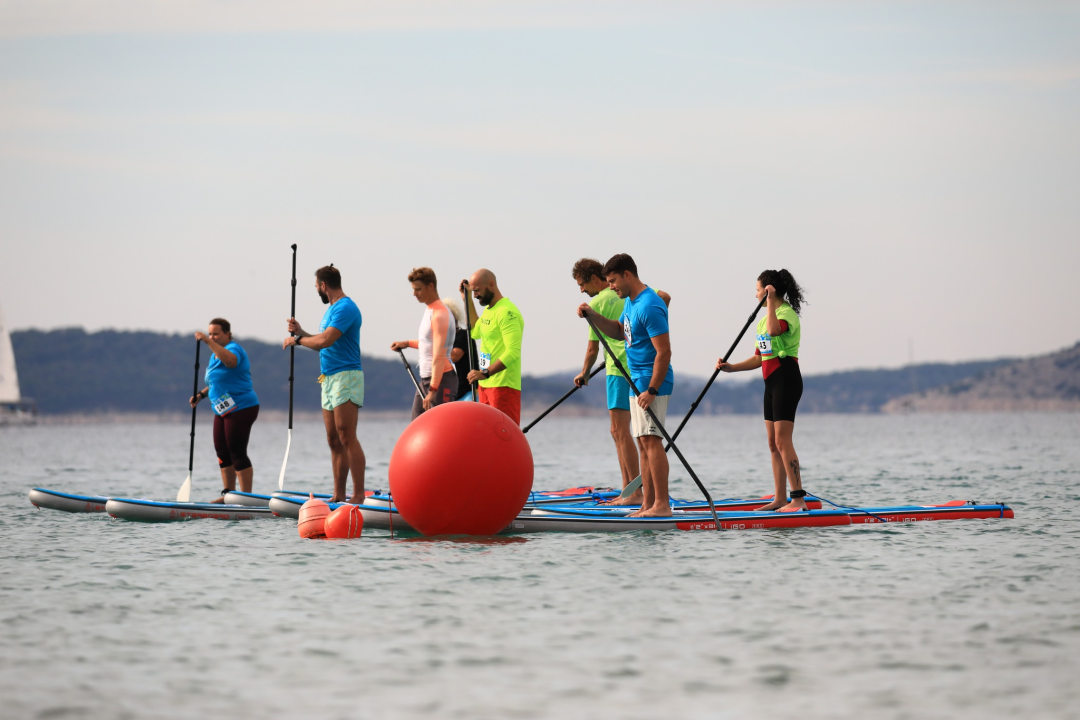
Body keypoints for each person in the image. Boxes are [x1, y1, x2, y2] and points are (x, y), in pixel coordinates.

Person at [578, 253, 674, 517]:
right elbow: (620, 331)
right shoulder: (631, 303)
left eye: (613, 281)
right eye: (608, 282)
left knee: (652, 442)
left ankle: (662, 506)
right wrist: (592, 315)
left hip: (651, 383)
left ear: (627, 275)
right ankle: (648, 503)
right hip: (635, 381)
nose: (611, 286)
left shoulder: (649, 305)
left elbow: (664, 353)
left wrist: (652, 390)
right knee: (642, 442)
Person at [717, 269, 807, 512]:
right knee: (772, 442)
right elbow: (760, 358)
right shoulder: (761, 322)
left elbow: (776, 330)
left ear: (769, 290)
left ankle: (797, 499)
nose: (755, 294)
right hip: (770, 382)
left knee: (782, 439)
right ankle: (779, 498)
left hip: (787, 379)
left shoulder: (786, 313)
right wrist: (731, 368)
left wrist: (769, 302)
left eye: (758, 289)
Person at [282, 265, 366, 504]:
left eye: (316, 287)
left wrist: (297, 339)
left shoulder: (346, 307)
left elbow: (325, 340)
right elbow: (319, 339)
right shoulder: (330, 310)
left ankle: (358, 495)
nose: (316, 291)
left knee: (346, 435)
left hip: (346, 376)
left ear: (323, 285)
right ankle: (338, 494)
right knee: (333, 438)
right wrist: (302, 332)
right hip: (327, 377)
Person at [190, 318, 260, 503]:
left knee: (236, 450)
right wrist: (201, 395)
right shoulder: (214, 355)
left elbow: (231, 363)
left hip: (242, 407)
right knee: (222, 451)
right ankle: (229, 494)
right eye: (210, 333)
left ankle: (246, 497)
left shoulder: (234, 349)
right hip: (223, 409)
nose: (212, 337)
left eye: (215, 334)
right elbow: (216, 382)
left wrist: (207, 341)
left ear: (227, 334)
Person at [390, 267, 459, 420]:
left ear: (431, 286)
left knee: (440, 429)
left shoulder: (440, 314)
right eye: (413, 289)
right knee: (417, 423)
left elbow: (439, 355)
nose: (414, 294)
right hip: (427, 380)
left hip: (441, 381)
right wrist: (407, 343)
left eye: (418, 289)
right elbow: (428, 343)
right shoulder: (430, 310)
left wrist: (433, 390)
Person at [460, 269, 524, 424]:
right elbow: (475, 331)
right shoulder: (489, 311)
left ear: (491, 284)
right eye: (473, 292)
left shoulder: (506, 311)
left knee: (504, 435)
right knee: (488, 433)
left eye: (477, 291)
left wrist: (486, 373)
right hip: (485, 385)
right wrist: (467, 299)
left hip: (503, 386)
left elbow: (513, 352)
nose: (475, 296)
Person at [442, 295, 477, 401]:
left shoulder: (463, 335)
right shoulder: (446, 340)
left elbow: (454, 356)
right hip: (454, 393)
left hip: (468, 391)